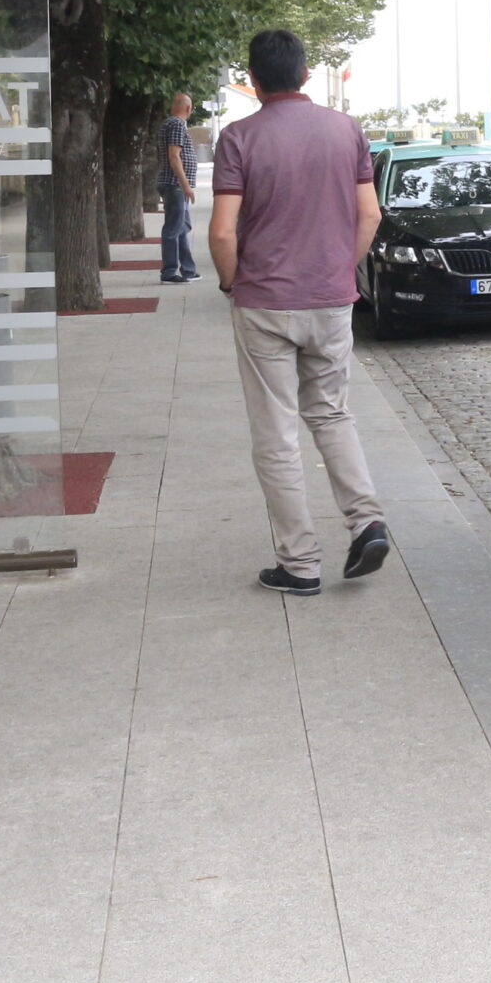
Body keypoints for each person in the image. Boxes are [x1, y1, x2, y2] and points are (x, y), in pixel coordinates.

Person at [208, 30, 391, 597]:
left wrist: (231, 281)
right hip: (331, 301)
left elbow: (222, 231)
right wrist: (338, 270)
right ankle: (367, 521)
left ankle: (300, 563)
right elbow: (370, 216)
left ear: (253, 80)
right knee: (332, 414)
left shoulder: (238, 138)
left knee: (276, 433)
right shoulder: (347, 129)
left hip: (265, 303)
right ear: (306, 74)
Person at [157, 91, 200, 282]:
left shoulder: (171, 123)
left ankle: (188, 270)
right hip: (175, 184)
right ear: (188, 108)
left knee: (182, 227)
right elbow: (174, 156)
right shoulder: (176, 124)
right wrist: (186, 185)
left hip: (175, 184)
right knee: (174, 228)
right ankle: (169, 272)